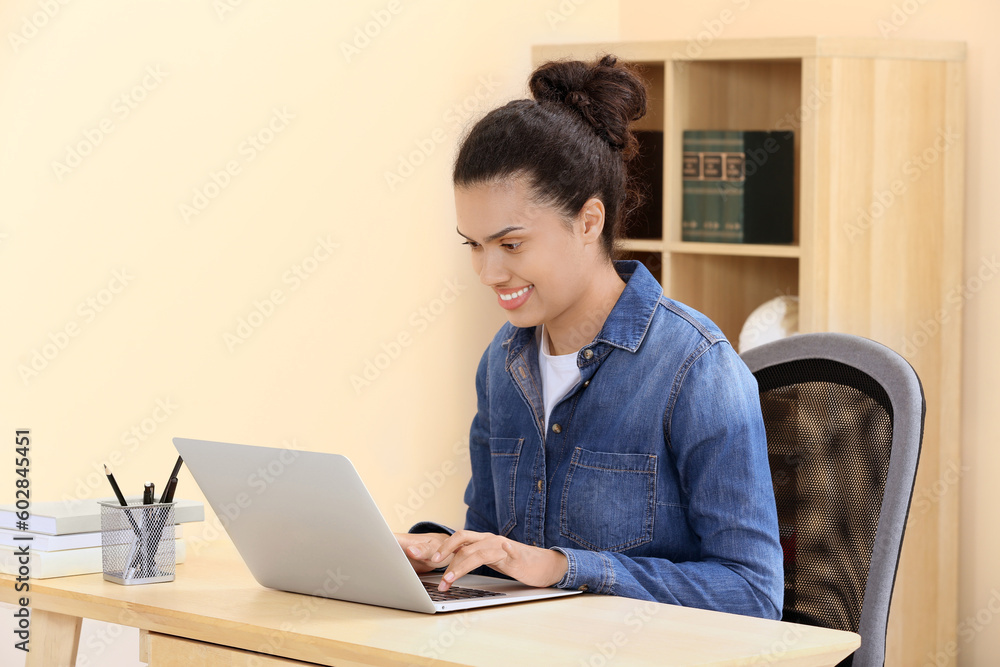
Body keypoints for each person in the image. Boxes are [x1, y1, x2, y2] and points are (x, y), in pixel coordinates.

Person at [395, 54, 783, 619]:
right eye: (473, 245)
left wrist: (565, 567)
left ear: (589, 221)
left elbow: (753, 594)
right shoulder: (501, 366)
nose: (488, 272)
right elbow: (500, 554)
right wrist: (446, 554)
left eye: (510, 244)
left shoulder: (695, 368)